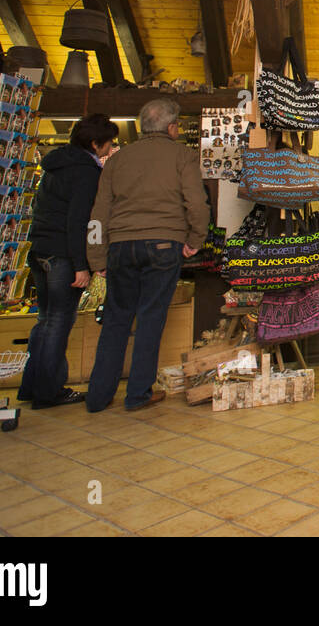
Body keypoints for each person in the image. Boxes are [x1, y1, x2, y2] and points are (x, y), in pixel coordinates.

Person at [85, 99, 209, 412]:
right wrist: (195, 240)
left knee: (115, 320)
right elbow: (197, 203)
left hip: (121, 246)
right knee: (151, 319)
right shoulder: (183, 155)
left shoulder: (117, 159)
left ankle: (98, 397)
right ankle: (138, 393)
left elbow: (99, 212)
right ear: (171, 127)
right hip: (165, 244)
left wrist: (97, 257)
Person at [19, 113, 119, 409]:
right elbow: (79, 221)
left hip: (40, 250)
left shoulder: (54, 165)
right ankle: (48, 391)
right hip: (64, 255)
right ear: (94, 143)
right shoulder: (86, 173)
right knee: (60, 322)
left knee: (45, 320)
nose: (109, 149)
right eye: (108, 143)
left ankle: (32, 386)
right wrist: (81, 265)